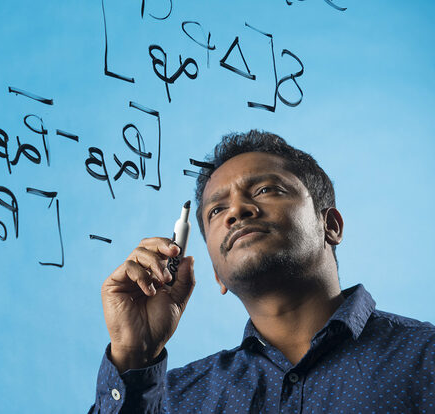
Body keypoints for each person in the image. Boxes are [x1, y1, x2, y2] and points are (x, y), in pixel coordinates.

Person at [88, 130, 435, 413]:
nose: (237, 210)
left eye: (265, 190)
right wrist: (133, 354)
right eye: (216, 210)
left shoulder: (426, 357)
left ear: (330, 225)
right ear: (216, 274)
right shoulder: (175, 400)